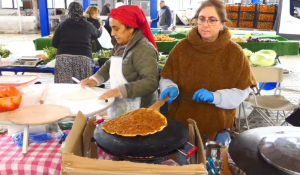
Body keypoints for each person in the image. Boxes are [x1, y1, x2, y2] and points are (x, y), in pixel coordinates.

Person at [159, 0, 257, 165]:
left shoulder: (234, 53)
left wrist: (215, 97)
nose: (205, 24)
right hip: (184, 124)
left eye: (212, 20)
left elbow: (243, 91)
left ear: (223, 24)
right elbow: (167, 76)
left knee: (212, 166)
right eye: (202, 19)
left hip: (217, 126)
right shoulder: (181, 48)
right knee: (185, 164)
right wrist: (169, 86)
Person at [81, 5, 159, 120]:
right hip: (122, 106)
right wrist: (96, 79)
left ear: (131, 28)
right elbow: (112, 63)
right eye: (111, 28)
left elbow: (151, 82)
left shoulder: (144, 49)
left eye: (116, 29)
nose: (112, 33)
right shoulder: (121, 44)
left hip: (141, 110)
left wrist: (121, 90)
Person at [51, 2, 101, 83]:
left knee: (63, 88)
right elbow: (97, 34)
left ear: (69, 11)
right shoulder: (88, 25)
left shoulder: (62, 25)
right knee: (82, 87)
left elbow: (54, 43)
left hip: (64, 59)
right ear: (81, 11)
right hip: (83, 59)